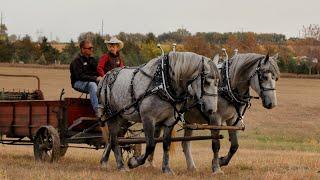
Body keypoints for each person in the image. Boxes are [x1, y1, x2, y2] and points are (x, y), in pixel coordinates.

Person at [70, 39, 102, 114]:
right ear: (82, 49)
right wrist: (95, 78)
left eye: (92, 48)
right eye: (89, 48)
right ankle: (98, 111)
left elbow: (97, 71)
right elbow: (80, 76)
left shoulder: (92, 60)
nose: (91, 49)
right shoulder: (76, 61)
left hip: (91, 81)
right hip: (78, 82)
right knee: (92, 85)